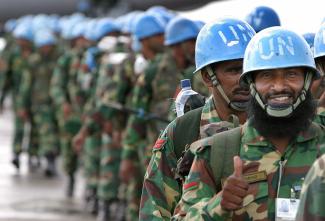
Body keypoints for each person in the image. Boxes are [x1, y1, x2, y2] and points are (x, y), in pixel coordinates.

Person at [172, 26, 325, 220]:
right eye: (267, 76)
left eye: (291, 74)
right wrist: (219, 205)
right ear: (251, 84)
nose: (279, 86)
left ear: (307, 80)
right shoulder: (216, 152)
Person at [139, 18, 256, 220]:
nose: (244, 79)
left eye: (250, 69)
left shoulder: (278, 128)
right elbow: (154, 211)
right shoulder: (183, 132)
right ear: (207, 77)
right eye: (234, 70)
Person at [18, 29, 60, 176]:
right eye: (44, 46)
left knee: (53, 132)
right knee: (46, 131)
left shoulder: (58, 60)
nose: (46, 48)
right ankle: (49, 160)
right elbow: (26, 85)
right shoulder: (33, 61)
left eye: (49, 45)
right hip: (39, 104)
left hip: (55, 103)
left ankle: (47, 157)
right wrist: (22, 105)